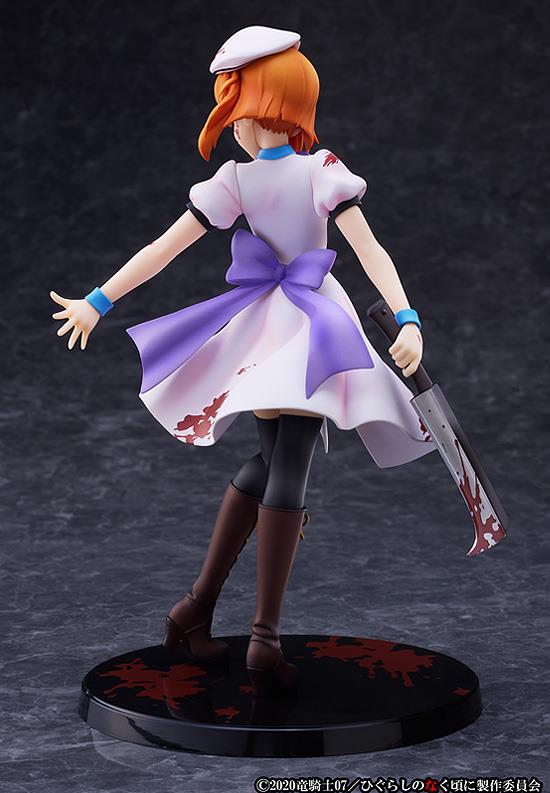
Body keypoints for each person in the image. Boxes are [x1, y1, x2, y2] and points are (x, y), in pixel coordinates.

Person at [50, 25, 435, 696]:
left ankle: (194, 609)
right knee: (289, 463)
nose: (232, 127)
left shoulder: (274, 175)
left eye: (236, 113)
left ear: (263, 112)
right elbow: (168, 247)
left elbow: (169, 248)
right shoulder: (309, 170)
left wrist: (408, 318)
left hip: (276, 323)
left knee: (269, 459)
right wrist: (97, 299)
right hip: (305, 323)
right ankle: (263, 640)